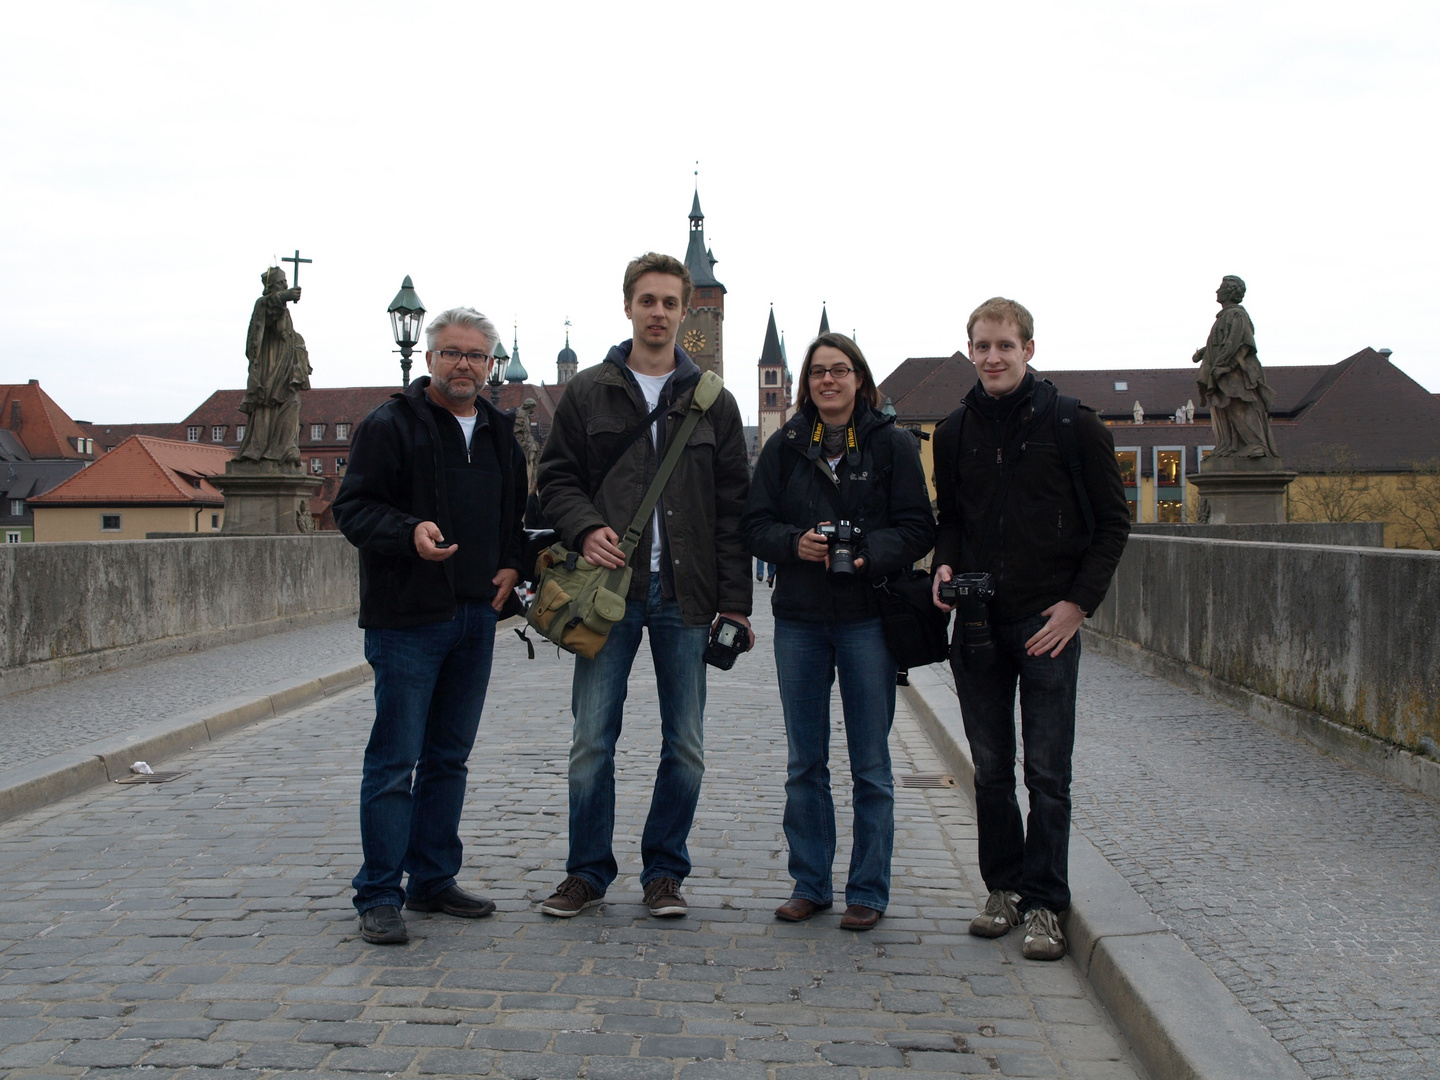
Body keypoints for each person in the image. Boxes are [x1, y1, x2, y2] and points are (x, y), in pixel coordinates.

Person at [535, 252, 753, 919]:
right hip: (609, 594)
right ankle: (587, 873)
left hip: (686, 598)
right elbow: (557, 479)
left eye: (669, 303)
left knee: (685, 744)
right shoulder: (590, 392)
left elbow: (732, 509)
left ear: (686, 312)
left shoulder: (713, 401)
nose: (658, 313)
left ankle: (664, 873)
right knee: (591, 741)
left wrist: (737, 604)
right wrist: (583, 527)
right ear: (628, 306)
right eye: (647, 301)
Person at [930, 298, 1129, 960]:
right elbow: (951, 518)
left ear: (1029, 350)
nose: (992, 357)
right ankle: (1004, 890)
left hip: (1048, 620)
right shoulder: (955, 430)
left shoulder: (1072, 424)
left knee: (1047, 773)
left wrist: (1078, 607)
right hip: (979, 620)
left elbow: (1111, 524)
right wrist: (946, 564)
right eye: (982, 346)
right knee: (989, 769)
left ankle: (1046, 904)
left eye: (1004, 346)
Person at [332, 307, 527, 945]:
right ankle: (379, 892)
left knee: (449, 759)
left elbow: (514, 515)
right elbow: (353, 508)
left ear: (491, 364)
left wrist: (510, 566)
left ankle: (434, 879)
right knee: (395, 760)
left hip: (476, 616)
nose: (464, 364)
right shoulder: (388, 426)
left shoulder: (501, 430)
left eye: (475, 355)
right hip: (407, 617)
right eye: (452, 353)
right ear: (430, 359)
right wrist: (406, 531)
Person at [743, 332, 935, 931]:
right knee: (805, 763)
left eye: (840, 371)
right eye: (819, 372)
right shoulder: (784, 447)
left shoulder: (892, 445)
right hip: (799, 619)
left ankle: (868, 891)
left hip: (867, 620)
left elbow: (918, 529)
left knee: (871, 764)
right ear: (806, 383)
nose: (829, 380)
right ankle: (810, 883)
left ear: (859, 380)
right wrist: (793, 545)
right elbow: (753, 525)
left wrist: (865, 553)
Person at [1191, 275, 1279, 459]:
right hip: (1224, 372)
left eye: (1221, 287)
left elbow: (1240, 343)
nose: (1217, 291)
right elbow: (1221, 343)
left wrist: (1225, 365)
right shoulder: (1226, 316)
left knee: (1240, 407)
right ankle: (1229, 445)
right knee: (1225, 409)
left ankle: (1256, 444)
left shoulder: (1236, 315)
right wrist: (1204, 353)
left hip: (1236, 372)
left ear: (1230, 291)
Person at [238, 266, 311, 465]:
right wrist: (283, 297)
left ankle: (285, 448)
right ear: (271, 286)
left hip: (286, 368)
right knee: (267, 405)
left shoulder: (286, 313)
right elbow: (270, 309)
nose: (286, 285)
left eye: (286, 282)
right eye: (281, 283)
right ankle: (266, 450)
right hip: (270, 367)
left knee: (293, 402)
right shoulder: (263, 304)